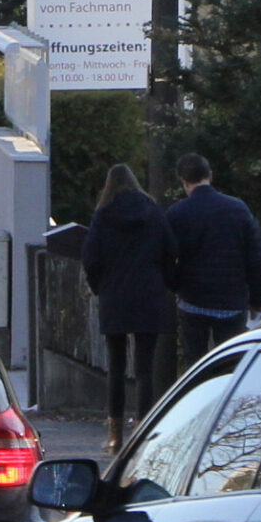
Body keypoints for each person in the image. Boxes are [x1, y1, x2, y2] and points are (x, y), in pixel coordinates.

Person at [82, 163, 177, 451]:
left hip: (115, 296)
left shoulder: (103, 215)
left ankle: (115, 434)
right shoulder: (153, 212)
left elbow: (91, 258)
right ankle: (143, 431)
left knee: (116, 367)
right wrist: (163, 281)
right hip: (149, 295)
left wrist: (100, 287)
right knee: (145, 368)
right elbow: (170, 249)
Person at [163, 152, 261, 369]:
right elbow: (256, 258)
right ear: (210, 175)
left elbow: (164, 258)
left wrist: (176, 285)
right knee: (230, 364)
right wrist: (257, 300)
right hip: (231, 301)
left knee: (194, 363)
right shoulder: (238, 209)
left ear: (184, 181)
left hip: (192, 300)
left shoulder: (177, 214)